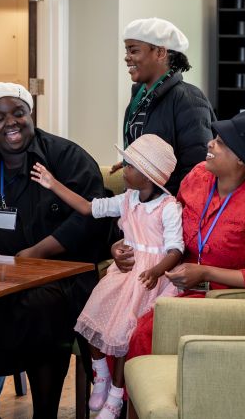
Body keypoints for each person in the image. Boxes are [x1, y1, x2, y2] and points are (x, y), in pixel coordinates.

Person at [0, 82, 107, 418]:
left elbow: (89, 218)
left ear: (31, 114)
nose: (11, 123)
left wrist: (37, 253)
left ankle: (44, 413)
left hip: (60, 275)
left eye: (18, 113)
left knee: (41, 307)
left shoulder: (67, 157)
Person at [30, 133, 183, 418]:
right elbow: (89, 207)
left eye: (129, 166)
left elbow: (175, 250)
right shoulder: (128, 200)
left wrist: (156, 270)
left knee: (124, 333)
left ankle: (116, 393)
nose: (122, 169)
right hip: (124, 273)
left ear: (147, 176)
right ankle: (100, 376)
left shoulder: (168, 209)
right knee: (92, 316)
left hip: (149, 279)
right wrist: (54, 184)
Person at [121, 111, 245, 360]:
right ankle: (111, 396)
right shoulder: (200, 175)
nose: (211, 143)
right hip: (177, 280)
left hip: (225, 297)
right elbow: (164, 224)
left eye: (221, 142)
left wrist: (206, 272)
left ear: (241, 159)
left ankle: (137, 398)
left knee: (142, 334)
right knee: (118, 317)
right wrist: (122, 243)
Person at [113, 17, 216, 195]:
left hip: (168, 213)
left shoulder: (189, 100)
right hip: (139, 207)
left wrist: (171, 213)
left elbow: (197, 170)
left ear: (160, 53)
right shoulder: (139, 97)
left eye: (134, 50)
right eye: (126, 50)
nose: (127, 57)